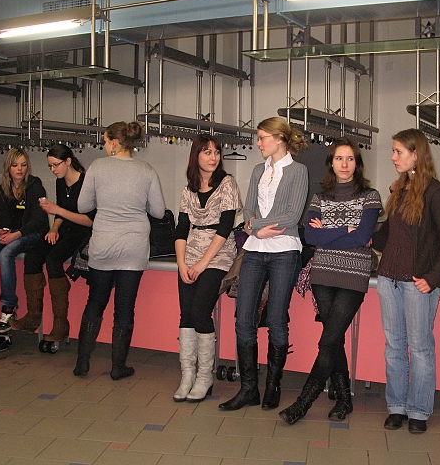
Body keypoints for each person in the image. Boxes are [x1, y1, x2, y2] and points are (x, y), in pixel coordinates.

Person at [279, 138, 382, 424]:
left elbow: (363, 236)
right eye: (339, 158)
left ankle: (303, 403)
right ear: (331, 163)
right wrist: (346, 229)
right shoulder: (319, 198)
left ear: (357, 164)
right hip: (323, 274)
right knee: (333, 339)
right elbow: (312, 237)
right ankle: (344, 399)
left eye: (350, 159)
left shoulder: (370, 196)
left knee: (328, 341)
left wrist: (331, 232)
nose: (344, 164)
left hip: (353, 276)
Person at [219, 117, 308, 412]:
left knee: (277, 318)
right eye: (258, 138)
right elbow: (248, 210)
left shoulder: (298, 171)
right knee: (244, 318)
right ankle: (248, 389)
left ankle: (273, 385)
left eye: (262, 138)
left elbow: (292, 216)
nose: (258, 143)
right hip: (255, 249)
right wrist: (255, 230)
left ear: (279, 139)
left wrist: (255, 225)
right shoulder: (259, 170)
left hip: (284, 250)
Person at [372, 128, 440, 434]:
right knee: (394, 345)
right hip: (389, 279)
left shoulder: (436, 193)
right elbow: (389, 234)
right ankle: (397, 406)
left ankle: (419, 410)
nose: (393, 157)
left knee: (420, 347)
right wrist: (362, 233)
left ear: (416, 155)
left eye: (398, 151)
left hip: (417, 282)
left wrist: (432, 278)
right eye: (393, 151)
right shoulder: (400, 189)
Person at [73, 121, 165, 379]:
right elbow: (158, 211)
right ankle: (118, 367)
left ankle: (82, 362)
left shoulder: (97, 167)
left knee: (95, 302)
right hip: (134, 247)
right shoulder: (146, 170)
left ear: (114, 142)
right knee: (124, 308)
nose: (104, 145)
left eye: (104, 141)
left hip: (103, 245)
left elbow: (82, 206)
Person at [173, 134, 242, 403]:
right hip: (190, 253)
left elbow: (225, 227)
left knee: (201, 311)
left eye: (216, 152)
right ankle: (187, 376)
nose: (213, 157)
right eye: (207, 152)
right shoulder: (188, 190)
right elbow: (181, 229)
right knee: (186, 314)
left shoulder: (227, 183)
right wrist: (182, 263)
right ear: (196, 156)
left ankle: (204, 377)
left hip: (218, 255)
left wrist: (202, 264)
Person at [10, 144, 95, 344]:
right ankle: (33, 316)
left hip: (82, 234)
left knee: (53, 260)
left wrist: (58, 212)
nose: (53, 169)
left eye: (56, 165)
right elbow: (59, 212)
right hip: (64, 231)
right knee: (32, 256)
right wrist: (54, 229)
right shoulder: (60, 182)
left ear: (68, 161)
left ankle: (60, 324)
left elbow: (90, 221)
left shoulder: (86, 183)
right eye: (50, 166)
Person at [0, 147, 49, 333]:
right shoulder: (3, 189)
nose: (20, 169)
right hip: (13, 231)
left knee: (6, 253)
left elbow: (39, 221)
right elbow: (4, 220)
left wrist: (15, 235)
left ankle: (9, 307)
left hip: (32, 233)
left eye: (23, 165)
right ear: (8, 167)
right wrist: (0, 231)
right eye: (15, 165)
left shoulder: (35, 187)